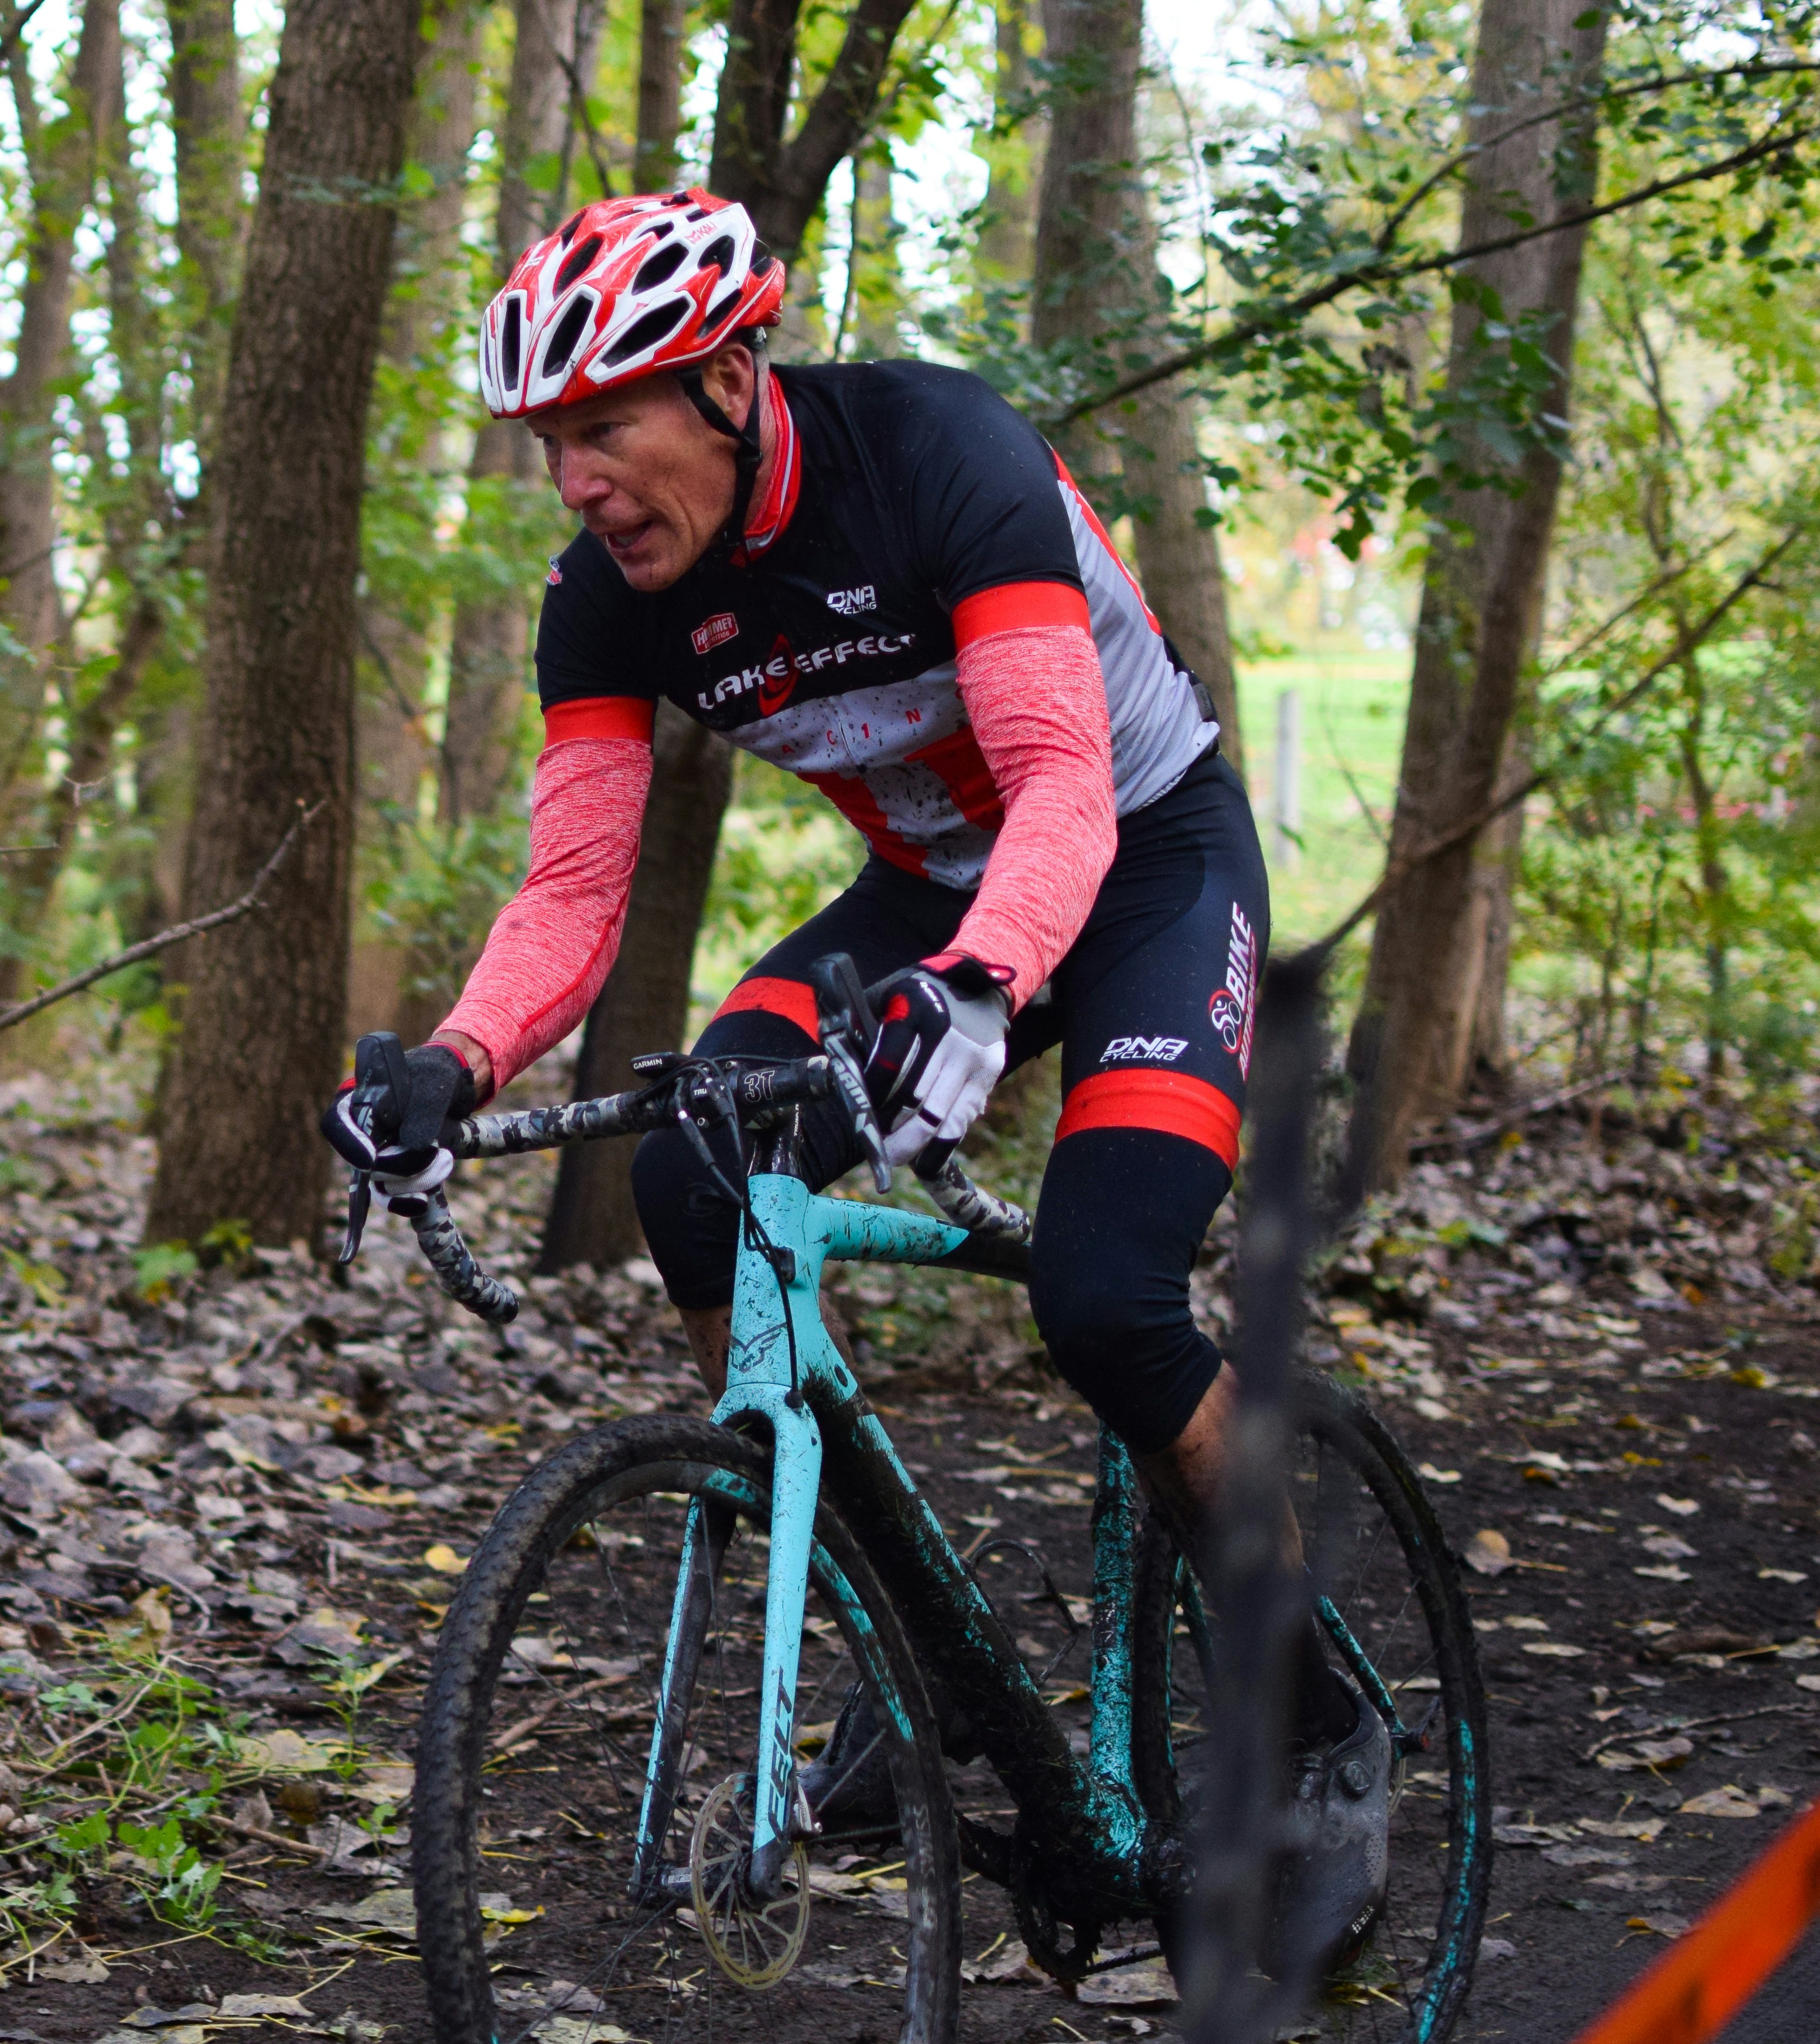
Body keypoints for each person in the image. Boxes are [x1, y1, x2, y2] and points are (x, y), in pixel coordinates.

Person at [322, 190, 1387, 1966]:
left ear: (731, 379)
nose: (573, 480)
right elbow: (575, 886)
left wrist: (974, 988)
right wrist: (454, 1054)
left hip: (1135, 863)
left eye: (605, 427)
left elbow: (1057, 776)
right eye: (545, 443)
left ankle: (1318, 1705)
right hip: (926, 892)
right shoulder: (605, 601)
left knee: (1106, 1292)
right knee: (689, 1170)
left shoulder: (936, 453)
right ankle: (922, 1661)